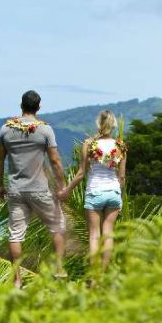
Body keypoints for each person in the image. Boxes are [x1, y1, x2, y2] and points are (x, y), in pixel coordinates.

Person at [0, 90, 68, 287]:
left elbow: (0, 159)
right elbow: (55, 160)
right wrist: (62, 186)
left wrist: (1, 185)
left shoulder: (5, 129)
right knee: (58, 226)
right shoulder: (45, 130)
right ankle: (59, 268)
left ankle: (16, 280)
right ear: (38, 107)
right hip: (39, 189)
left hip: (16, 190)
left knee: (16, 235)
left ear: (21, 106)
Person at [58, 110, 127, 271]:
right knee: (108, 233)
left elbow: (81, 173)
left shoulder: (89, 145)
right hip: (113, 193)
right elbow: (122, 177)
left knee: (95, 235)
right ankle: (103, 273)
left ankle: (95, 276)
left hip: (95, 192)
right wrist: (119, 196)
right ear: (113, 125)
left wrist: (67, 190)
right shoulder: (120, 146)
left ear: (98, 124)